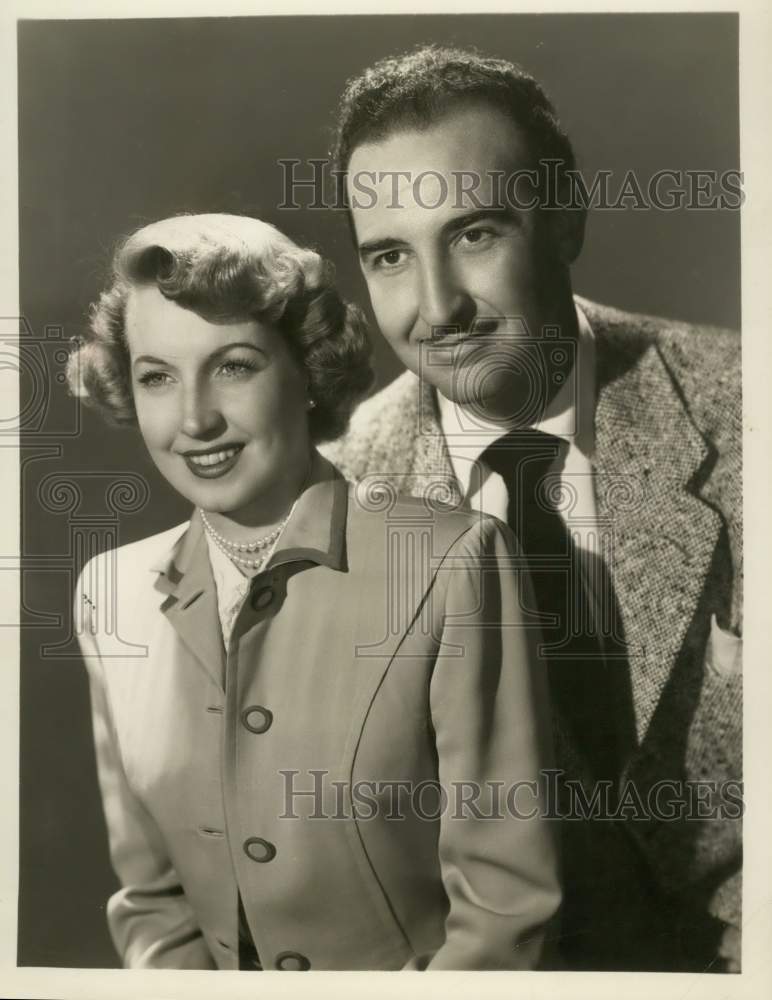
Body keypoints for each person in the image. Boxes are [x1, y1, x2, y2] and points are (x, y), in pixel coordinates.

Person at [321, 45, 742, 972]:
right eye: (390, 256)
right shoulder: (337, 496)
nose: (438, 309)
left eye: (475, 235)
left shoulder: (746, 408)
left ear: (566, 220)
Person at [67, 212, 560, 971]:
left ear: (308, 371)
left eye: (233, 366)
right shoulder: (111, 593)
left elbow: (506, 912)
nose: (194, 418)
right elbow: (153, 902)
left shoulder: (452, 561)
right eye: (156, 376)